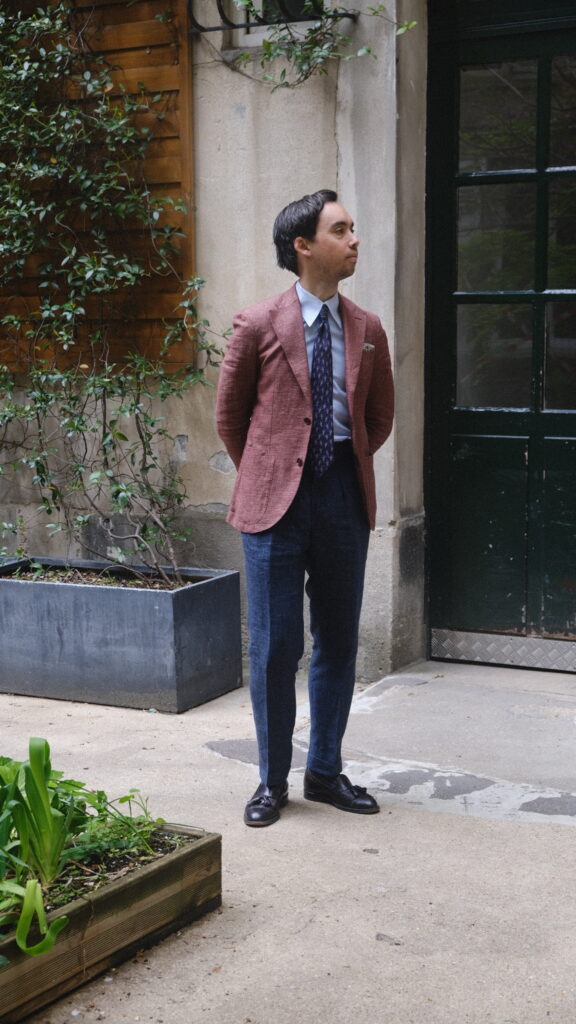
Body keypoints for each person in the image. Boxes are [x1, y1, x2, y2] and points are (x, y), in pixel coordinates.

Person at [216, 189, 394, 827]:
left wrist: (339, 466)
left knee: (338, 640)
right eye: (340, 230)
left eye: (353, 228)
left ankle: (323, 772)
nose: (354, 240)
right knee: (274, 645)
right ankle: (271, 782)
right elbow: (230, 418)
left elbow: (379, 417)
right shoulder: (258, 323)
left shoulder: (367, 328)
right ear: (303, 245)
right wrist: (272, 471)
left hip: (343, 493)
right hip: (275, 504)